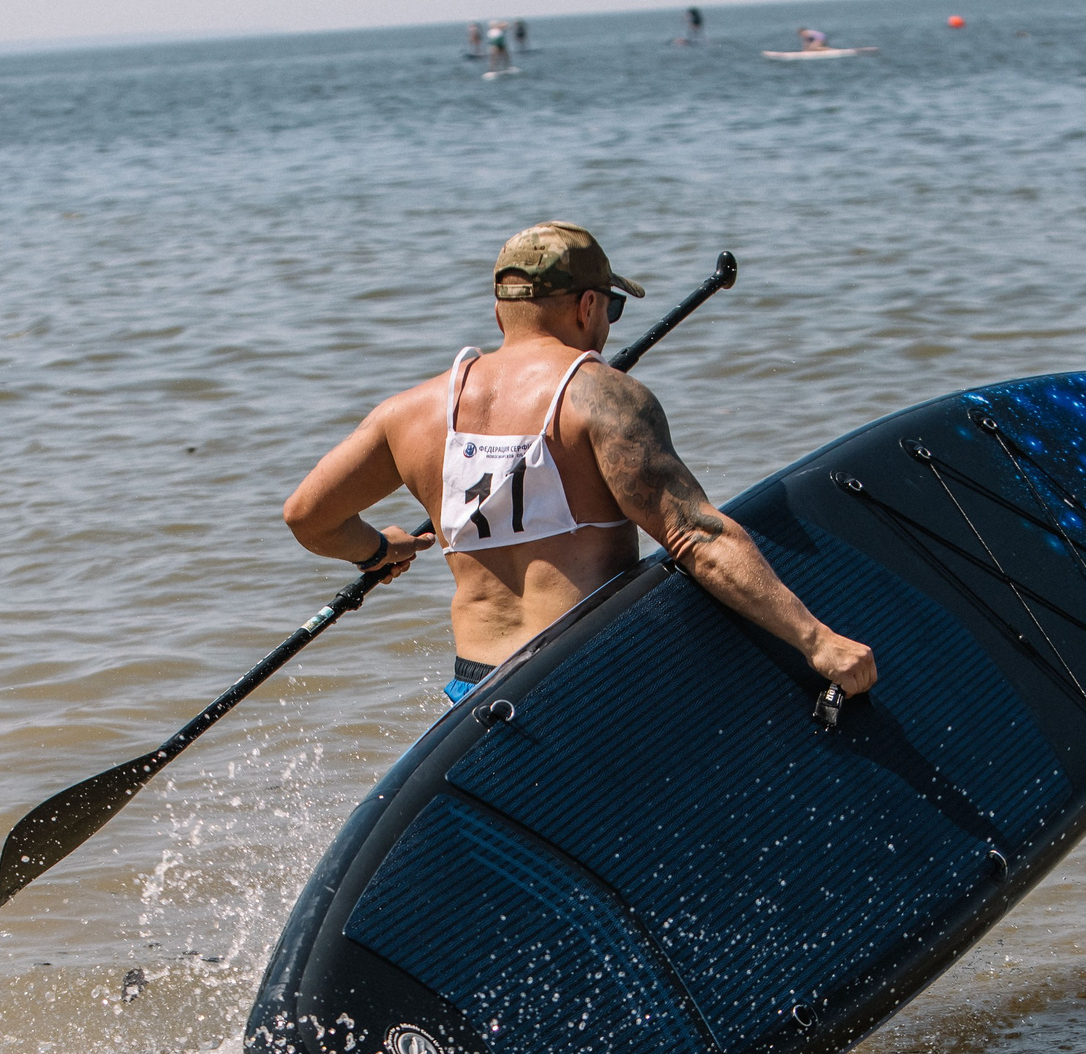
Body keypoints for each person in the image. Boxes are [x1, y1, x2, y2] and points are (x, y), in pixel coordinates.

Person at [283, 221, 876, 707]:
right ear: (587, 305)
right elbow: (695, 535)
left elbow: (308, 515)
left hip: (476, 692)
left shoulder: (409, 414)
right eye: (611, 308)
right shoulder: (601, 395)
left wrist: (377, 551)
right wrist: (816, 640)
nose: (607, 325)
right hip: (584, 682)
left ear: (500, 315)